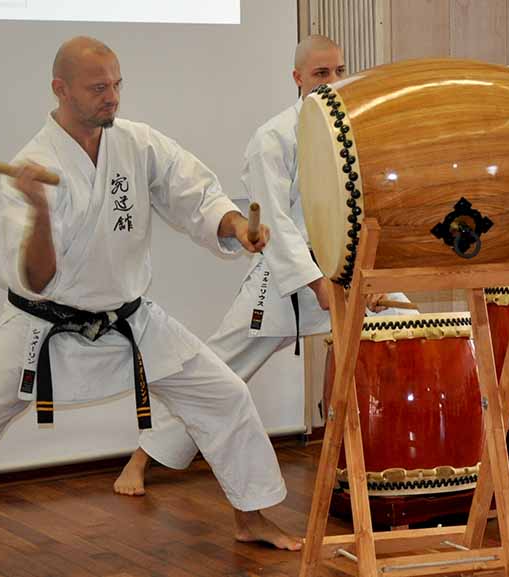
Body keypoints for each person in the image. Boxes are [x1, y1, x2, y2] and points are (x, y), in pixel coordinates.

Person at [0, 36, 302, 566]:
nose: (111, 97)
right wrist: (39, 210)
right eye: (97, 88)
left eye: (116, 84)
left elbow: (194, 194)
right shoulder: (33, 166)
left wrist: (231, 225)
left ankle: (251, 517)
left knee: (223, 395)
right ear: (60, 90)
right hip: (41, 329)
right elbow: (36, 279)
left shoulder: (137, 143)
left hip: (131, 320)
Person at [114, 34, 412, 497]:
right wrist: (316, 284)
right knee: (219, 369)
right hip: (287, 279)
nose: (332, 81)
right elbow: (274, 221)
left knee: (413, 330)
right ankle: (141, 459)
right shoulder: (272, 137)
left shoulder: (357, 131)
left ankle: (413, 458)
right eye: (320, 74)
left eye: (338, 71)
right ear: (297, 78)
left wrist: (375, 270)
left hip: (351, 270)